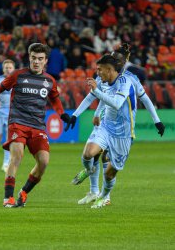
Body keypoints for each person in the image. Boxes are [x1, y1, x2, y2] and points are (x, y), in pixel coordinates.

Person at [0, 43, 71, 208]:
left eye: (40, 59)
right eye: (33, 58)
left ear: (45, 61)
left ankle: (24, 192)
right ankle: (8, 199)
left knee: (43, 162)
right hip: (17, 122)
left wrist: (63, 114)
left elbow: (55, 99)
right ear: (29, 58)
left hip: (37, 126)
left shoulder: (50, 81)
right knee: (17, 156)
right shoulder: (18, 75)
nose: (36, 62)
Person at [67, 44, 165, 206]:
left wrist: (157, 120)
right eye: (113, 58)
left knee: (108, 165)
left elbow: (137, 100)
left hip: (124, 130)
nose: (116, 62)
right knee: (91, 154)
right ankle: (93, 191)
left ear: (124, 62)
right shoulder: (103, 76)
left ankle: (104, 196)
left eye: (118, 60)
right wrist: (88, 114)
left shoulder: (130, 80)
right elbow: (98, 96)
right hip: (106, 123)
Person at [71, 54, 140, 208]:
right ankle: (89, 171)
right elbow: (93, 97)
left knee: (110, 173)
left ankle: (103, 196)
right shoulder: (103, 81)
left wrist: (96, 90)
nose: (97, 73)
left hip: (123, 134)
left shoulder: (125, 82)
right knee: (88, 153)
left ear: (109, 70)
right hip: (106, 126)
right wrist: (75, 115)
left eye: (100, 70)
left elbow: (116, 103)